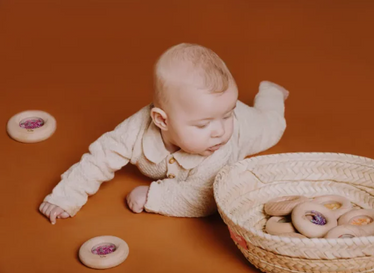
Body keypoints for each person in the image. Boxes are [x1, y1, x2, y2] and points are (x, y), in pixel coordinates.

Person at [39, 43, 289, 224]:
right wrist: (65, 197)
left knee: (273, 127)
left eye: (226, 115)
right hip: (202, 113)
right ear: (161, 120)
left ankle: (271, 94)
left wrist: (153, 196)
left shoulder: (220, 146)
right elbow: (100, 157)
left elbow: (203, 199)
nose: (220, 132)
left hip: (247, 126)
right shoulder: (136, 129)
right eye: (202, 125)